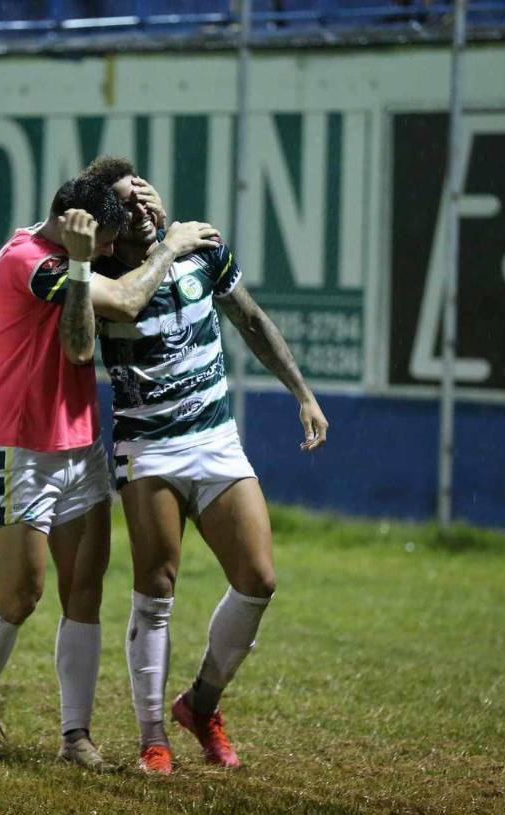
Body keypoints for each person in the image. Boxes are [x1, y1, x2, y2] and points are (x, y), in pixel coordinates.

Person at [0, 175, 219, 770]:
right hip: (20, 450)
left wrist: (125, 189)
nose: (108, 251)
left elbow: (120, 272)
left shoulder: (77, 250)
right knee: (22, 595)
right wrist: (169, 248)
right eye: (105, 239)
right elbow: (113, 313)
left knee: (85, 592)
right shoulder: (27, 260)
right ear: (78, 224)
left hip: (81, 451)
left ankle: (75, 736)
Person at [81, 157, 329, 774]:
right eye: (125, 201)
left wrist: (303, 392)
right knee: (156, 589)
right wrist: (163, 244)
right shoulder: (107, 274)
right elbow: (98, 326)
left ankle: (200, 704)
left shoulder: (203, 251)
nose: (141, 205)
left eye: (144, 192)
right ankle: (152, 738)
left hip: (216, 442)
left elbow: (250, 318)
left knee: (258, 579)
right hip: (150, 449)